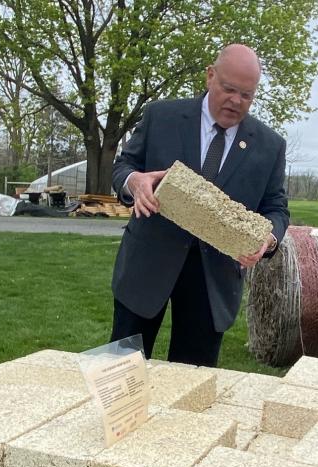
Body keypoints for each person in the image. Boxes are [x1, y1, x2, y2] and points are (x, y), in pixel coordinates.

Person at [110, 44, 288, 367]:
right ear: (210, 76)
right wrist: (134, 182)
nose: (236, 101)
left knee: (192, 392)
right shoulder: (160, 116)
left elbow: (277, 207)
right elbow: (123, 166)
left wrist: (268, 238)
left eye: (246, 95)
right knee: (120, 378)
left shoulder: (271, 146)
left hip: (213, 282)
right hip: (146, 267)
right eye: (228, 89)